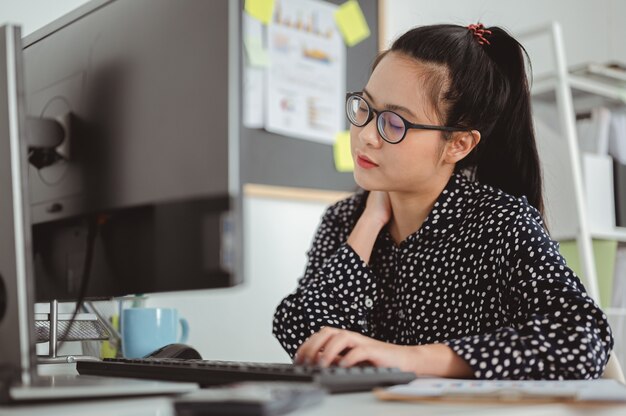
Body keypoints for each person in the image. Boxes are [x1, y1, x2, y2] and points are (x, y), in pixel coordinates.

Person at [272, 23, 614, 380]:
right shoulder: (346, 219)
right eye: (365, 108)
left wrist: (409, 359)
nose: (366, 136)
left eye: (394, 122)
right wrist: (369, 225)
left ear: (458, 144)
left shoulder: (500, 221)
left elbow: (583, 338)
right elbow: (303, 333)